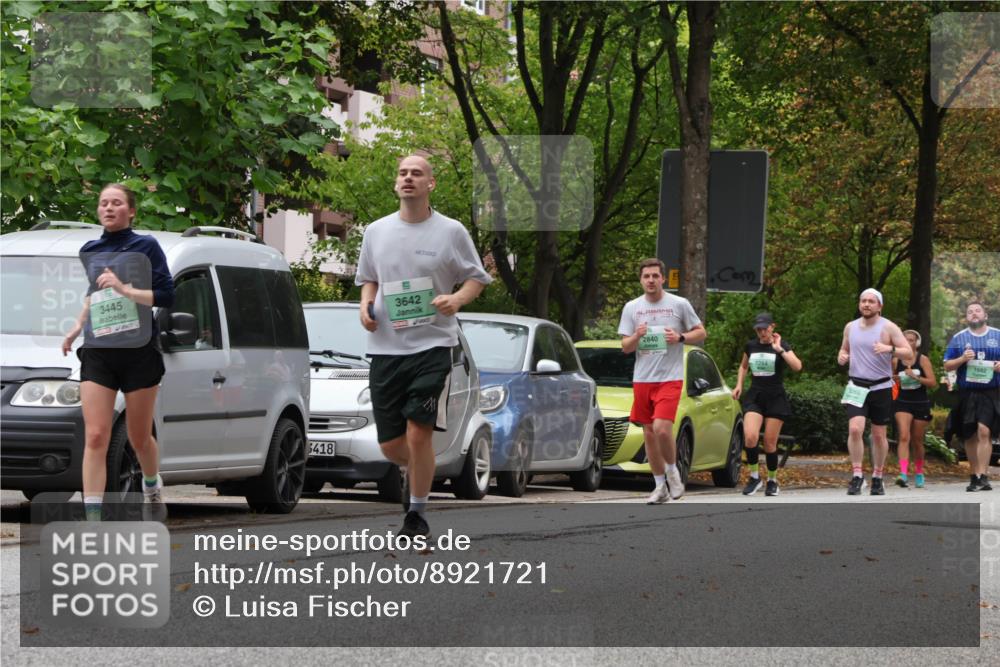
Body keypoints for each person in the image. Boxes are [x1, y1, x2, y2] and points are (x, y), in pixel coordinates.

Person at [356, 154, 491, 538]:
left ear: (431, 183)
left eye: (416, 173)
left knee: (419, 434)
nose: (408, 178)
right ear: (396, 183)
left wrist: (457, 300)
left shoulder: (451, 231)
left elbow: (475, 279)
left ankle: (416, 513)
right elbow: (369, 279)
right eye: (402, 173)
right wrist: (366, 308)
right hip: (385, 348)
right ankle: (419, 471)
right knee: (391, 447)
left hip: (433, 345)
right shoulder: (376, 231)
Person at [61, 184, 175, 520]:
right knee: (96, 435)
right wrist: (77, 326)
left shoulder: (146, 247)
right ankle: (93, 520)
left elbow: (166, 295)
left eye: (116, 203)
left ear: (131, 210)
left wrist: (126, 290)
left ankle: (151, 487)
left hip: (138, 349)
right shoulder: (91, 249)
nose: (108, 208)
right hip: (99, 348)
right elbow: (93, 294)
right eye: (103, 203)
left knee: (139, 437)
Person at [619, 258, 706, 503]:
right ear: (641, 280)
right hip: (643, 379)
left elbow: (701, 332)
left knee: (661, 429)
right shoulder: (632, 308)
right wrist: (637, 334)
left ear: (663, 279)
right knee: (649, 433)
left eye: (655, 276)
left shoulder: (679, 304)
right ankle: (660, 487)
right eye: (646, 276)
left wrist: (679, 337)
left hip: (670, 377)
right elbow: (625, 347)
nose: (651, 280)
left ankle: (672, 471)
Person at [837, 288, 912, 496]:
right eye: (863, 301)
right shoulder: (850, 327)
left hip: (881, 386)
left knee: (879, 435)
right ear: (859, 304)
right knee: (855, 429)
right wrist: (842, 357)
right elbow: (843, 349)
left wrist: (890, 349)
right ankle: (857, 475)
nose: (866, 304)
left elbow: (909, 353)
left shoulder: (888, 327)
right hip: (856, 386)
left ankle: (878, 476)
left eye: (871, 301)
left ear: (880, 306)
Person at [731, 312, 802, 497]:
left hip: (775, 396)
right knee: (750, 437)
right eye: (759, 329)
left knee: (770, 443)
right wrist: (739, 384)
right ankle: (754, 477)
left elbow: (797, 366)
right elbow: (744, 366)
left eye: (765, 328)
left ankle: (772, 480)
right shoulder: (751, 345)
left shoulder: (781, 345)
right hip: (755, 395)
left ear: (773, 327)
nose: (762, 332)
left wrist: (780, 350)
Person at [942, 301, 1000, 492]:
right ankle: (974, 475)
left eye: (977, 311)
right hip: (967, 392)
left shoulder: (997, 335)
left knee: (984, 431)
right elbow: (947, 365)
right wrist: (962, 359)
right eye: (969, 312)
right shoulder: (959, 339)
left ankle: (983, 475)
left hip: (990, 391)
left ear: (985, 315)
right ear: (966, 317)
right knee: (969, 433)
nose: (974, 314)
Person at [892, 329, 937, 488]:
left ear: (916, 343)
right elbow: (891, 381)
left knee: (917, 440)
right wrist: (895, 379)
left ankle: (919, 472)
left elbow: (932, 383)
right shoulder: (896, 360)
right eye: (905, 339)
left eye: (911, 340)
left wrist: (915, 377)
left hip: (920, 403)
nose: (908, 342)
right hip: (902, 402)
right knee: (904, 436)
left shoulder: (922, 360)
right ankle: (903, 474)